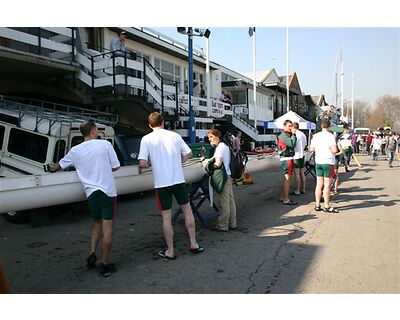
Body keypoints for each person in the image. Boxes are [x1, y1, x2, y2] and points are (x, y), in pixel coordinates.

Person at [49, 121, 120, 277]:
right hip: (107, 192)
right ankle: (105, 264)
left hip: (91, 193)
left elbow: (58, 166)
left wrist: (49, 169)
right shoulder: (105, 145)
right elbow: (116, 166)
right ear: (93, 131)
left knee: (97, 224)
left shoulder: (75, 150)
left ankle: (92, 253)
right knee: (108, 228)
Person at [138, 112, 203, 260]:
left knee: (166, 217)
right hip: (178, 180)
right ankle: (193, 243)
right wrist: (177, 161)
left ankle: (170, 250)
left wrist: (151, 163)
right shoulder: (175, 136)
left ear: (149, 125)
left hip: (162, 184)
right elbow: (189, 154)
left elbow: (142, 163)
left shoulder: (146, 139)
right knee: (187, 210)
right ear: (163, 122)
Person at [207, 129, 237, 231]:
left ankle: (223, 225)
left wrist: (208, 165)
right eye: (208, 138)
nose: (209, 139)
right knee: (230, 200)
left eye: (211, 137)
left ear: (217, 136)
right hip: (229, 176)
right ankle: (232, 223)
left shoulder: (219, 148)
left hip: (223, 178)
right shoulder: (225, 146)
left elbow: (218, 163)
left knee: (224, 202)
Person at [309, 118, 339, 213]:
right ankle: (326, 205)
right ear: (329, 126)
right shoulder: (330, 136)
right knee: (327, 185)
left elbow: (311, 149)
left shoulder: (316, 136)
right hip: (328, 161)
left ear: (321, 126)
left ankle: (317, 205)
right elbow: (334, 150)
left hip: (318, 161)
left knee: (319, 184)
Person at [277, 119, 297, 205]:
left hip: (288, 158)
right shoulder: (284, 135)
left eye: (291, 126)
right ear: (284, 126)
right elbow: (292, 144)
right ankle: (286, 199)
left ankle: (283, 197)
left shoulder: (286, 135)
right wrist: (294, 134)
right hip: (286, 158)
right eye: (289, 126)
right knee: (287, 179)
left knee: (288, 179)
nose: (291, 128)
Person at [291, 122, 307, 195]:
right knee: (302, 173)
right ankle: (303, 188)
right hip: (302, 154)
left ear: (293, 127)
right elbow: (305, 144)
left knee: (297, 174)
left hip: (296, 155)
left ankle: (297, 190)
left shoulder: (294, 135)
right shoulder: (303, 134)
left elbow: (292, 145)